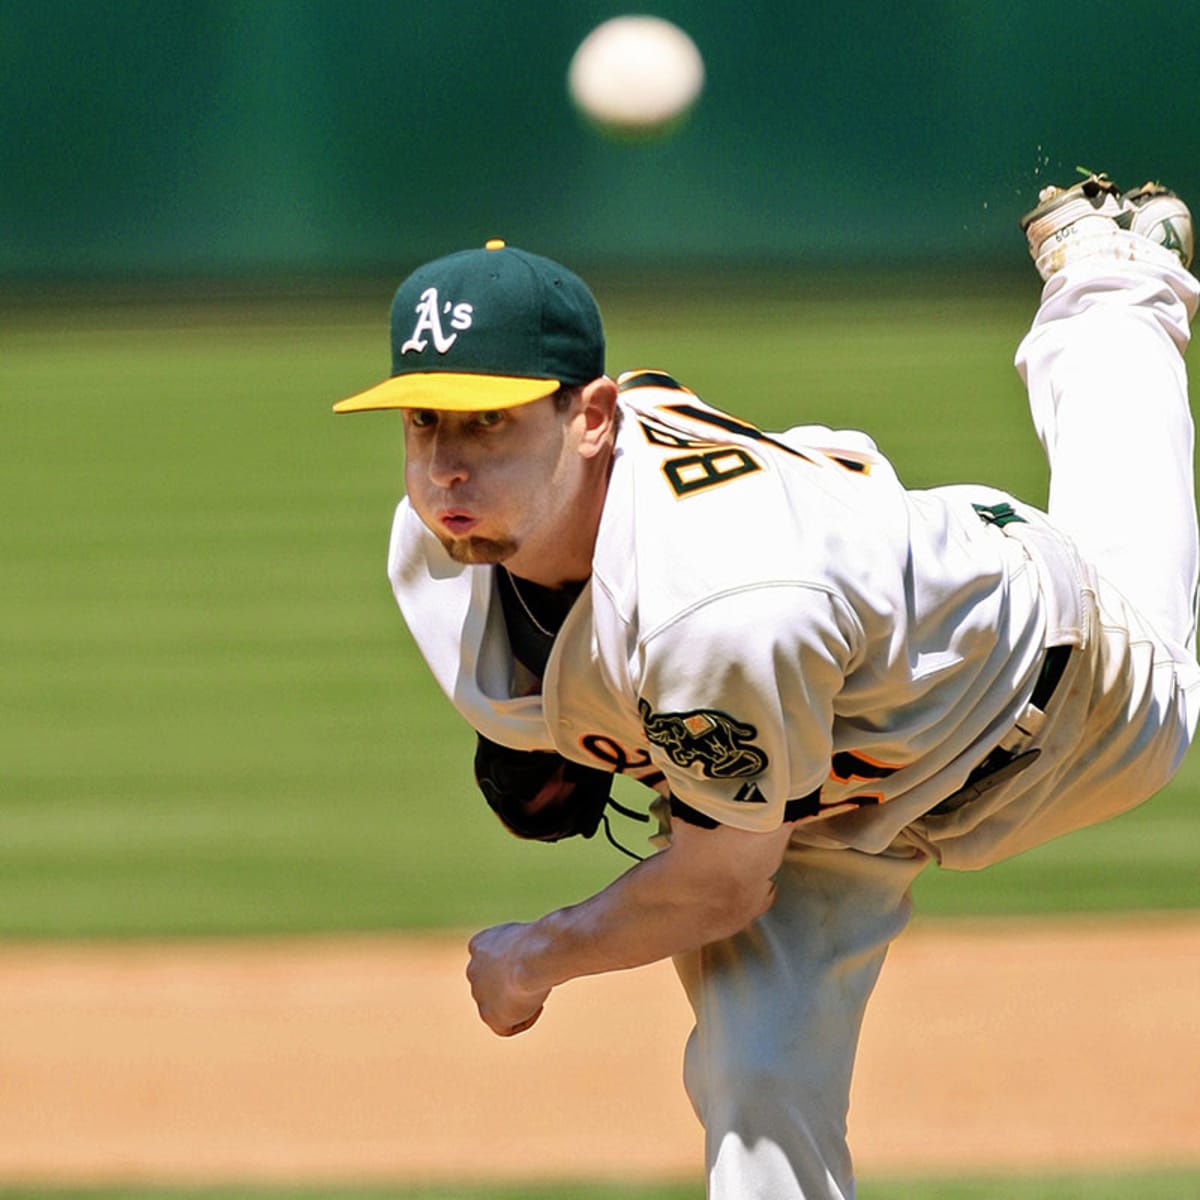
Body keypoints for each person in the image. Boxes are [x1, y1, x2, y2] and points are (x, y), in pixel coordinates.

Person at [333, 179, 1198, 1199]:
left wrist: (530, 957)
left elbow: (717, 885)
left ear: (591, 419)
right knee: (755, 1092)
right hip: (809, 801)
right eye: (424, 423)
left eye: (489, 425)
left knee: (1141, 579)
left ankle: (1113, 286)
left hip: (1045, 701)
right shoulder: (438, 552)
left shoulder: (723, 604)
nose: (448, 470)